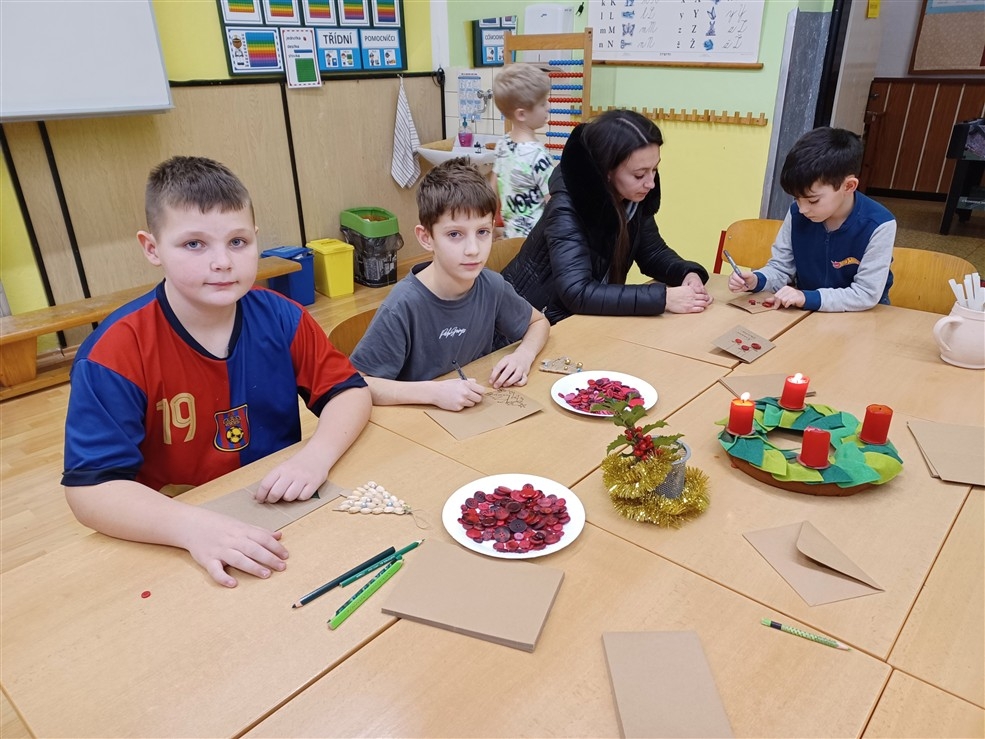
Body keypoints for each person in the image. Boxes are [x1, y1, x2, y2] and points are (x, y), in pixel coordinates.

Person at [61, 156, 372, 588]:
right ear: (152, 248)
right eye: (194, 244)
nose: (223, 261)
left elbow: (349, 392)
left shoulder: (284, 317)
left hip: (278, 509)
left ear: (256, 239)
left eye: (238, 242)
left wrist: (316, 456)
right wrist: (191, 527)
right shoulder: (113, 353)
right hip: (172, 531)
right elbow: (90, 490)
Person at [349, 158, 549, 410]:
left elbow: (538, 323)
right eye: (455, 234)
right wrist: (433, 392)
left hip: (475, 411)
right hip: (418, 420)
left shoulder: (491, 285)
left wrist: (523, 356)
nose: (473, 249)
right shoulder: (403, 305)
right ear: (426, 238)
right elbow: (358, 383)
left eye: (482, 232)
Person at [501, 109, 712, 324]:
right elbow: (577, 292)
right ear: (607, 171)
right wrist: (663, 298)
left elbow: (653, 253)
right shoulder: (566, 206)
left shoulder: (632, 198)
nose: (650, 183)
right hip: (527, 326)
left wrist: (687, 273)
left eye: (655, 170)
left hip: (582, 321)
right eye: (639, 174)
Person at [728, 126, 896, 311]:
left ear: (848, 186)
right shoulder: (798, 212)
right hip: (808, 313)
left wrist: (807, 297)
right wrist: (758, 280)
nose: (802, 209)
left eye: (813, 200)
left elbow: (865, 294)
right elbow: (781, 268)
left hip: (863, 317)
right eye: (796, 198)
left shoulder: (879, 225)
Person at [491, 63, 555, 238]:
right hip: (536, 243)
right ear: (521, 114)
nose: (548, 107)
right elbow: (554, 204)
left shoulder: (503, 144)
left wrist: (491, 225)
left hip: (510, 237)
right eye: (542, 103)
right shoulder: (539, 157)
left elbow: (492, 189)